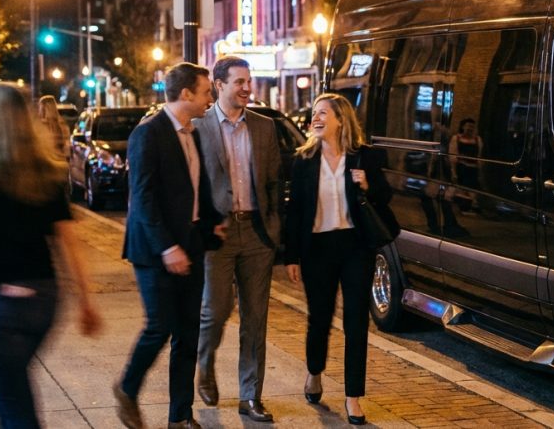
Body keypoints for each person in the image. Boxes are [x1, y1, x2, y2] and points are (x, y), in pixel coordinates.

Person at [0, 85, 101, 428]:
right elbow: (69, 243)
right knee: (8, 388)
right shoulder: (48, 172)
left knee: (13, 403)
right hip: (43, 301)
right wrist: (86, 301)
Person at [114, 63, 224, 429]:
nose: (211, 99)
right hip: (154, 250)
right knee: (159, 326)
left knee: (188, 334)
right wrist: (166, 247)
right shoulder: (148, 133)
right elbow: (143, 198)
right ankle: (127, 388)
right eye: (206, 92)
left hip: (191, 243)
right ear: (186, 93)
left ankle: (180, 416)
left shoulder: (192, 133)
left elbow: (196, 189)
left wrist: (211, 223)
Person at [283, 93, 395, 426]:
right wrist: (291, 256)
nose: (315, 118)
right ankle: (314, 371)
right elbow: (294, 211)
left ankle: (353, 397)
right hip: (317, 248)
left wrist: (368, 184)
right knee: (319, 317)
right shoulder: (304, 159)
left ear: (341, 119)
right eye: (314, 113)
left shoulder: (364, 157)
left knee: (356, 321)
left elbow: (386, 196)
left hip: (355, 247)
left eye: (323, 113)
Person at [193, 57, 282, 422]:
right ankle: (205, 363)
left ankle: (250, 396)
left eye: (249, 81)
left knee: (255, 318)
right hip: (218, 234)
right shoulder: (198, 127)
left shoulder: (264, 126)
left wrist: (274, 228)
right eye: (239, 82)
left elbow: (274, 181)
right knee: (215, 311)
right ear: (219, 85)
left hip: (257, 234)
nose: (247, 88)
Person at [448, 118, 483, 212]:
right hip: (461, 168)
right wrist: (454, 172)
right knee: (460, 190)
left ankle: (469, 208)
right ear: (463, 127)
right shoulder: (456, 138)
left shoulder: (478, 140)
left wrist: (479, 172)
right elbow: (453, 156)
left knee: (472, 191)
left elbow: (479, 157)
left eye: (472, 127)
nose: (470, 128)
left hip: (473, 170)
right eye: (468, 126)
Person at [37, 95, 70, 160]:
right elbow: (65, 142)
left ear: (44, 107)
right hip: (59, 159)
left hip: (46, 159)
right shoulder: (62, 124)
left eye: (40, 106)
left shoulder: (41, 124)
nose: (39, 109)